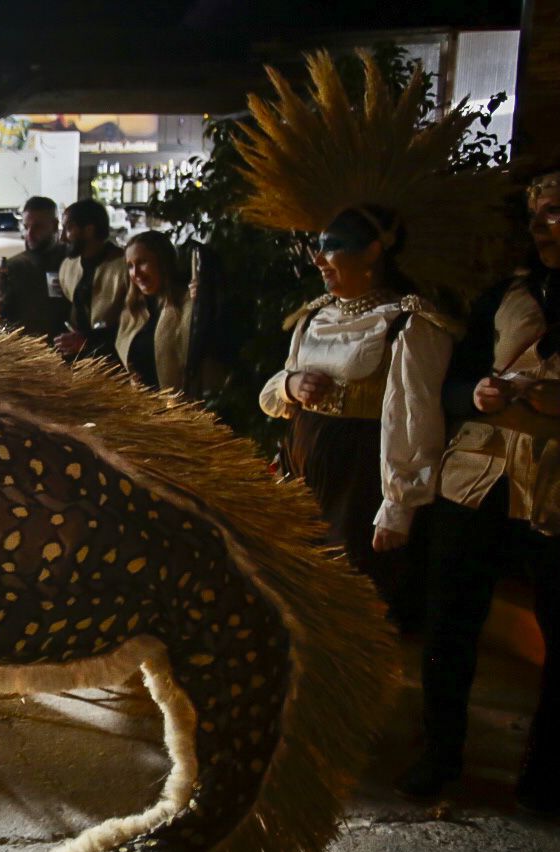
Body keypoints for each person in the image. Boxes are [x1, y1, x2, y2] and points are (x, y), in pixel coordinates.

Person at [239, 52, 495, 617]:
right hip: (308, 463)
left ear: (374, 251)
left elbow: (414, 416)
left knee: (354, 605)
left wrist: (397, 506)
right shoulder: (313, 314)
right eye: (317, 248)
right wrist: (290, 384)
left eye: (332, 248)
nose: (321, 261)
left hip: (362, 479)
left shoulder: (410, 322)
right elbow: (273, 396)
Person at [401, 169, 560, 808]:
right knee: (449, 628)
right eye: (546, 212)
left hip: (552, 487)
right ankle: (439, 755)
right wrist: (477, 394)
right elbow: (449, 386)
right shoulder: (502, 298)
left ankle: (546, 776)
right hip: (479, 481)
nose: (554, 224)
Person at [115, 230, 222, 397]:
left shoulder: (188, 304)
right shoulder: (133, 312)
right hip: (144, 410)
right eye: (130, 266)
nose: (135, 273)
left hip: (185, 411)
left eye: (142, 262)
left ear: (162, 262)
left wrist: (202, 302)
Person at [54, 199, 127, 362]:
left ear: (89, 230)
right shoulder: (68, 266)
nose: (63, 238)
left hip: (114, 361)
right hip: (78, 360)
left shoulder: (124, 266)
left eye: (69, 228)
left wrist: (89, 339)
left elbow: (133, 323)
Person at [0, 196, 67, 340]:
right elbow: (1, 317)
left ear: (54, 226)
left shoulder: (71, 261)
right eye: (26, 227)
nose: (29, 234)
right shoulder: (14, 266)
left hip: (68, 350)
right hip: (26, 351)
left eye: (38, 227)